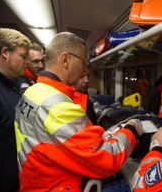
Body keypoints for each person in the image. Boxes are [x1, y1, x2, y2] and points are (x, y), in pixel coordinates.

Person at [14, 31, 143, 192]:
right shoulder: (57, 106)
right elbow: (106, 159)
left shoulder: (32, 93)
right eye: (84, 61)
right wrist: (132, 128)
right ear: (65, 59)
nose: (85, 69)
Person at [0, 28, 31, 192]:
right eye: (23, 56)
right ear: (5, 52)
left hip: (17, 181)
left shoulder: (13, 83)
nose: (27, 62)